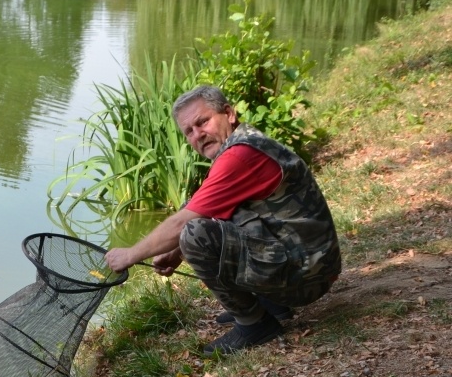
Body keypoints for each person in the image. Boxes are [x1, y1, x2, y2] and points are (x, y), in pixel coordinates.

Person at [105, 85, 341, 355]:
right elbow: (209, 210)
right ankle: (272, 304)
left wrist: (130, 255)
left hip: (307, 278)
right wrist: (176, 251)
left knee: (194, 232)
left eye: (202, 122)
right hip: (310, 265)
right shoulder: (244, 142)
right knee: (195, 211)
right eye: (189, 131)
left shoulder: (240, 156)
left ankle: (255, 324)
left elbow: (183, 224)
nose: (198, 135)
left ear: (228, 113)